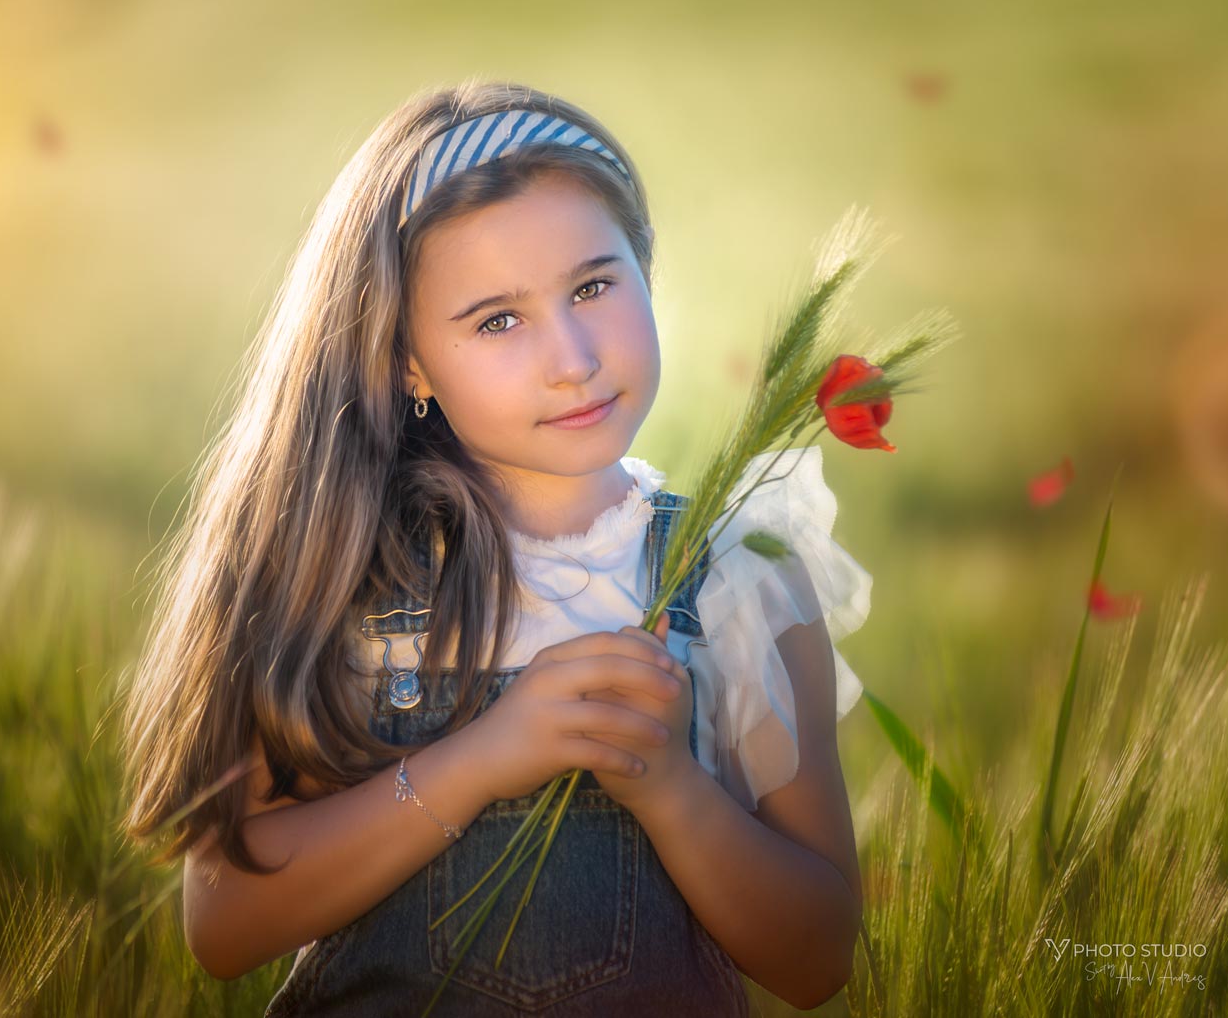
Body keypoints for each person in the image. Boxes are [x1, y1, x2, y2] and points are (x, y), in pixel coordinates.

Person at [120, 77, 872, 1016]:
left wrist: (671, 786)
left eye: (594, 286)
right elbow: (225, 926)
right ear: (408, 362)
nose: (573, 358)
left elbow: (817, 958)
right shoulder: (342, 573)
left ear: (646, 269)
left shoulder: (740, 575)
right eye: (499, 321)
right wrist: (482, 758)